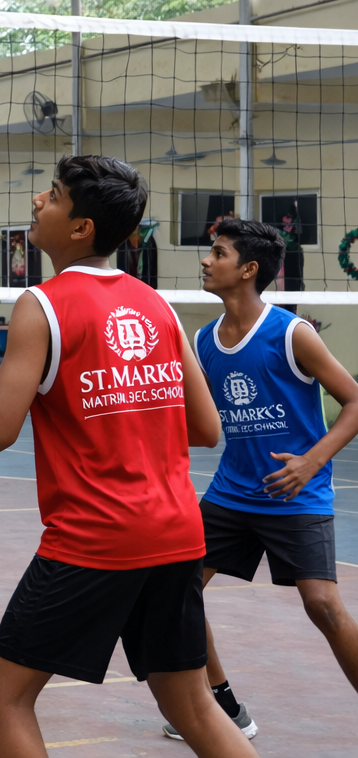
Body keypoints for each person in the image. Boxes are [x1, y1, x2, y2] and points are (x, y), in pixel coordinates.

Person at [0, 155, 258, 758]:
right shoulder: (156, 305)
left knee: (1, 696)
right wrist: (128, 413)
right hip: (177, 532)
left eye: (51, 195)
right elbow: (207, 429)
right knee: (193, 706)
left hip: (96, 537)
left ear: (80, 227)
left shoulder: (42, 305)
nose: (37, 202)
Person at [158, 219, 358, 741]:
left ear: (247, 270)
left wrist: (311, 462)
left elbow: (355, 401)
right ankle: (223, 705)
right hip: (231, 493)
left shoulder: (291, 334)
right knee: (178, 590)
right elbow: (191, 420)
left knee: (323, 605)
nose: (206, 260)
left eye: (218, 253)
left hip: (296, 495)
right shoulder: (203, 342)